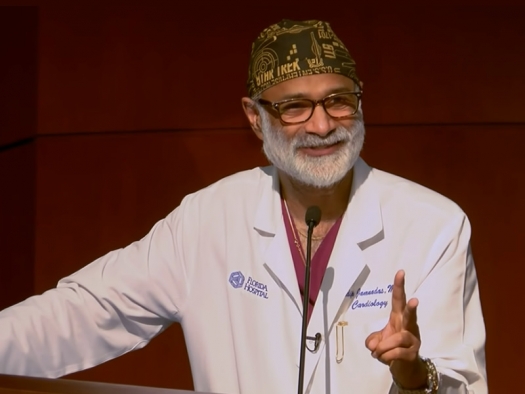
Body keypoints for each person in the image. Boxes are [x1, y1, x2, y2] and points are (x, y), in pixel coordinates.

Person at [0, 19, 487, 394]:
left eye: (338, 101)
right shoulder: (208, 220)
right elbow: (86, 310)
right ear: (255, 119)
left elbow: (463, 383)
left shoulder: (434, 226)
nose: (321, 126)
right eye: (294, 107)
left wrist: (414, 376)